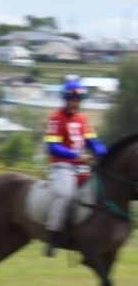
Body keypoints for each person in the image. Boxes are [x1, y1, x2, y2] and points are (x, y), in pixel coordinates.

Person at [42, 76, 104, 257]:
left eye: (77, 100)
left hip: (81, 167)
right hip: (60, 167)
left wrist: (105, 153)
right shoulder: (55, 118)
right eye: (72, 100)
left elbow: (94, 142)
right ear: (65, 99)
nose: (75, 103)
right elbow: (52, 146)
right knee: (66, 194)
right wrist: (76, 156)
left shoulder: (83, 119)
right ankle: (52, 235)